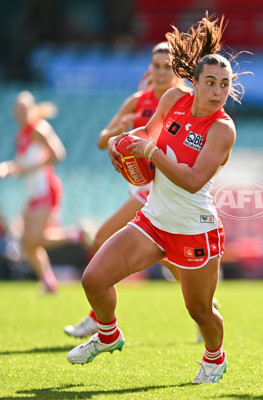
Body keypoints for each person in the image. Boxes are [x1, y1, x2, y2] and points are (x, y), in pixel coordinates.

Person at [66, 13, 248, 384]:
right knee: (94, 280)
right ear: (193, 82)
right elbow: (147, 134)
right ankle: (108, 334)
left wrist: (151, 153)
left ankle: (215, 357)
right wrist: (123, 144)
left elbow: (194, 181)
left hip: (195, 230)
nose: (217, 91)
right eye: (210, 82)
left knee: (199, 310)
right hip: (154, 220)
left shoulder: (222, 129)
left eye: (224, 84)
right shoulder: (173, 99)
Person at [63, 42, 217, 343]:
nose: (161, 72)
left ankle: (100, 320)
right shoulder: (139, 100)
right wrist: (116, 132)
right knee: (165, 254)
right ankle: (205, 304)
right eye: (156, 66)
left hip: (159, 189)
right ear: (150, 69)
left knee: (103, 237)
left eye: (168, 66)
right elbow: (102, 140)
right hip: (142, 186)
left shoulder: (186, 102)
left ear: (179, 71)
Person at [0, 91, 84, 293]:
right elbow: (22, 166)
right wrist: (7, 168)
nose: (21, 112)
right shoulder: (22, 135)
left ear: (31, 109)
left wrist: (26, 168)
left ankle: (76, 234)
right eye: (18, 109)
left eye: (24, 108)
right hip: (34, 191)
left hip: (46, 189)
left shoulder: (40, 129)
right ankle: (48, 282)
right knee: (27, 243)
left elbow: (58, 154)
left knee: (35, 239)